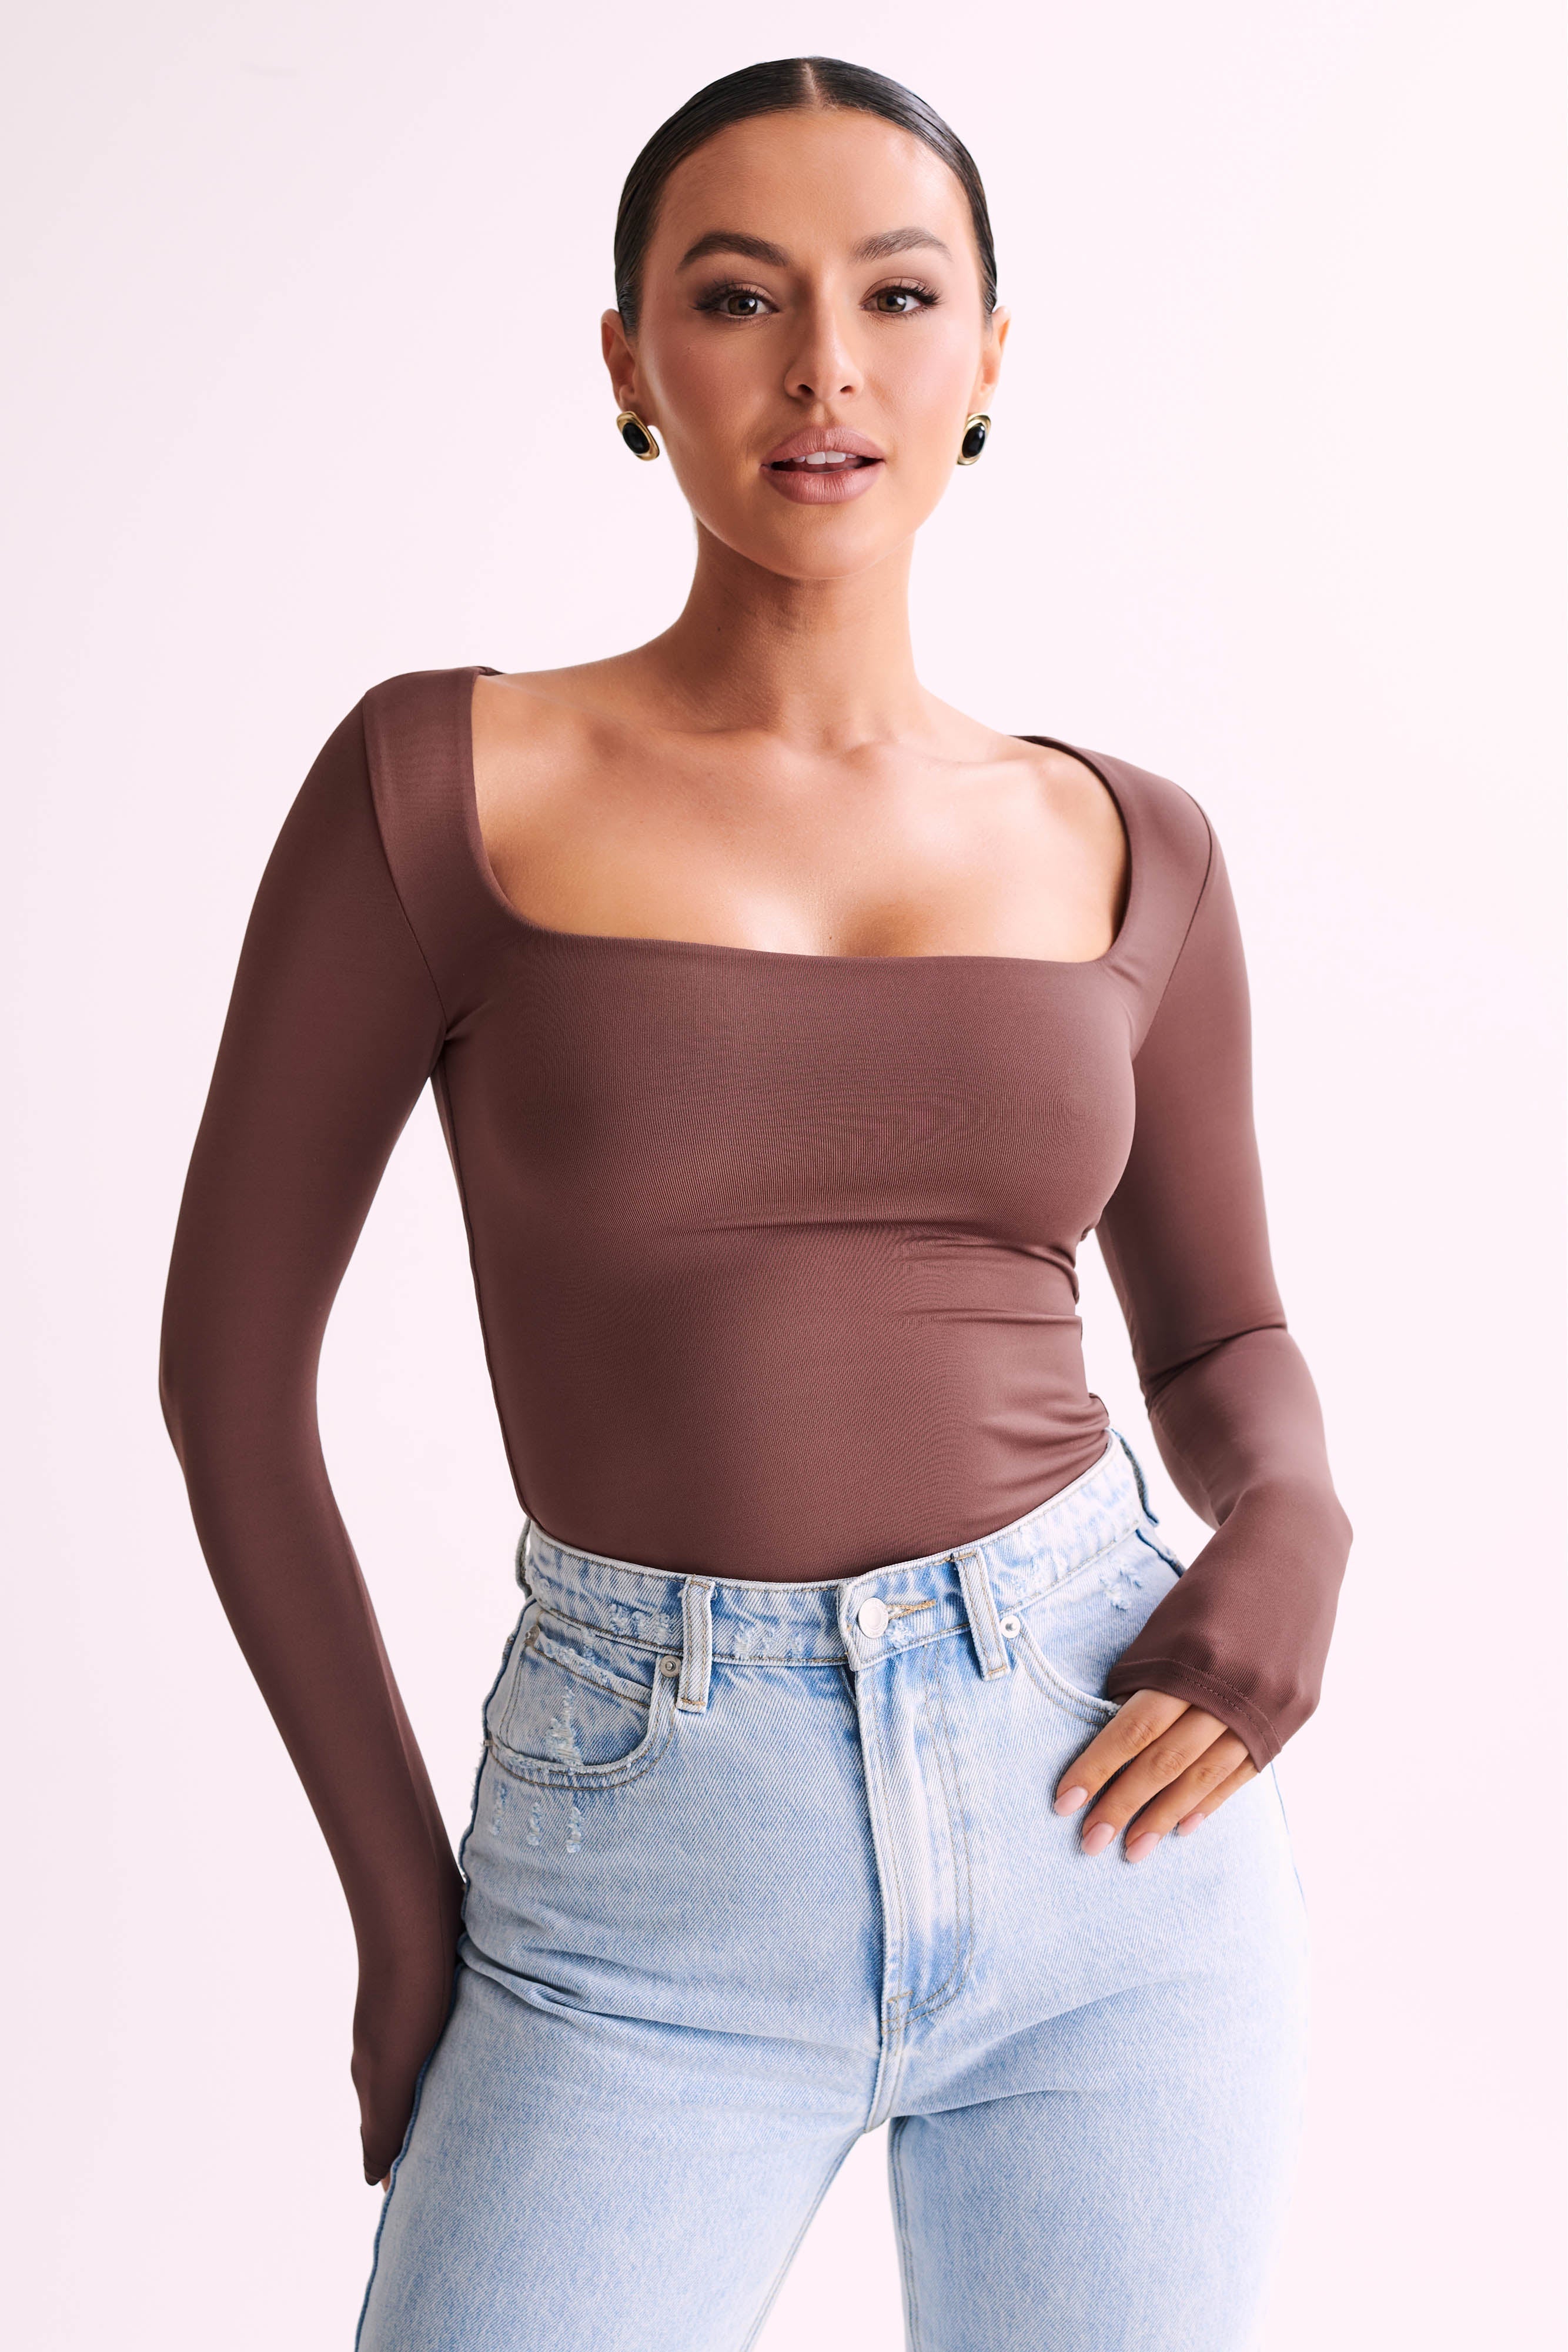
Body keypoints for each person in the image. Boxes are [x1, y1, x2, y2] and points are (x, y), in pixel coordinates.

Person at [158, 54, 1352, 2352]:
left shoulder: (1128, 843)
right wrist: (401, 1911)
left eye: (895, 296)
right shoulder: (445, 781)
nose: (823, 367)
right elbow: (229, 1382)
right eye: (736, 297)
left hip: (1107, 1802)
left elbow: (1219, 1344)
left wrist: (1294, 1520)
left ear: (986, 356)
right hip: (641, 1847)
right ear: (631, 362)